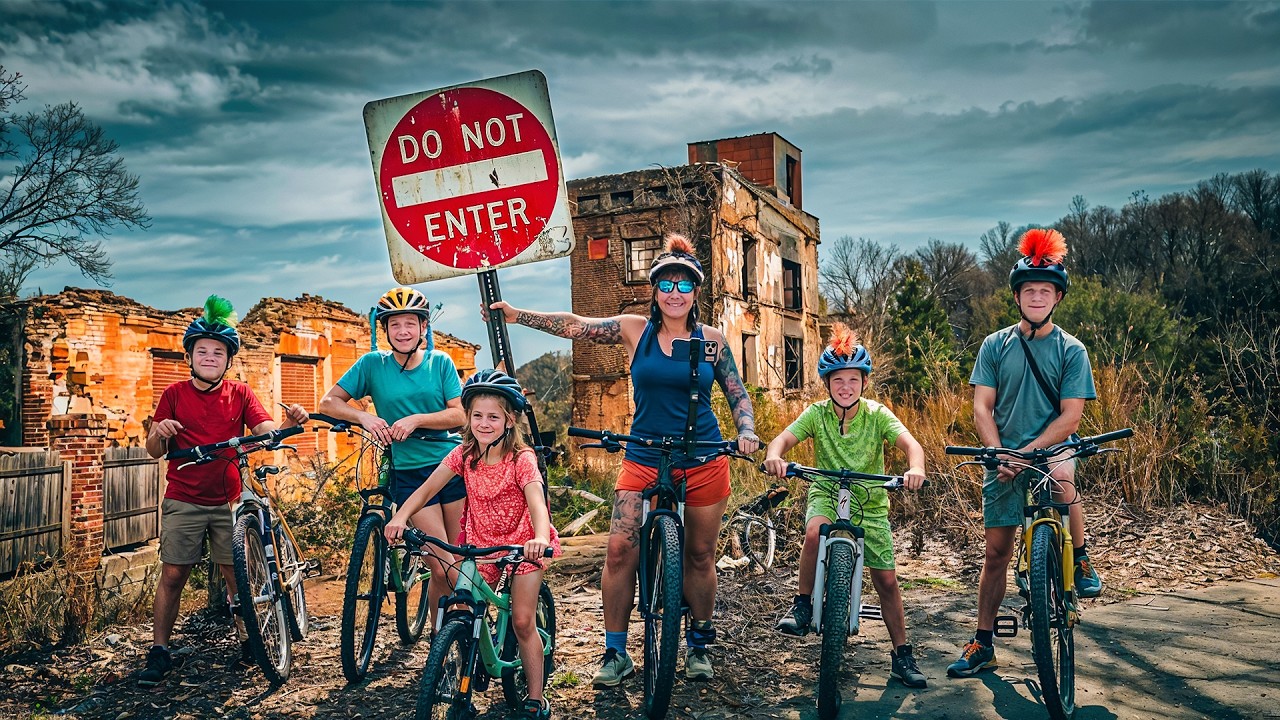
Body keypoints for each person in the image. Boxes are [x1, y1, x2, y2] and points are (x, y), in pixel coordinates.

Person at [484, 232, 760, 685]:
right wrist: (518, 316)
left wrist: (746, 431)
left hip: (704, 456)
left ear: (695, 291)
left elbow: (737, 394)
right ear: (655, 290)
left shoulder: (712, 340)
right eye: (666, 284)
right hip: (645, 455)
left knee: (699, 554)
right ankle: (615, 652)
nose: (674, 293)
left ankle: (698, 645)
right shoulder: (636, 330)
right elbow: (577, 325)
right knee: (618, 551)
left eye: (684, 284)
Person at [947, 227, 1101, 679]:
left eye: (1045, 291)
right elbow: (982, 407)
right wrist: (999, 453)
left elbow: (1071, 416)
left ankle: (1080, 557)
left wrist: (1027, 453)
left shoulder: (1071, 350)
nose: (1037, 296)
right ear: (1017, 297)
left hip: (1050, 449)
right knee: (996, 553)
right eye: (1029, 290)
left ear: (1057, 297)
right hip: (1004, 456)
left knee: (1063, 478)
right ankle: (983, 642)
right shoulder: (995, 346)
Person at [140, 295, 309, 686]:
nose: (210, 357)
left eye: (218, 352)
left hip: (228, 500)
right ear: (189, 357)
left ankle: (250, 641)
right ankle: (160, 651)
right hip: (183, 497)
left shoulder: (240, 394)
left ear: (228, 360)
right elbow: (153, 450)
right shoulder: (174, 395)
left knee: (237, 577)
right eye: (203, 351)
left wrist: (286, 424)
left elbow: (264, 432)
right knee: (173, 574)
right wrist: (160, 432)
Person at [384, 369, 560, 720]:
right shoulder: (464, 455)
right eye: (477, 415)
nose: (484, 423)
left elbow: (537, 502)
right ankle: (458, 680)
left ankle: (535, 699)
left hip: (522, 546)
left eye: (493, 417)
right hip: (479, 546)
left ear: (509, 420)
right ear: (467, 417)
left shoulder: (521, 459)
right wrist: (400, 517)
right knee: (460, 607)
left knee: (522, 620)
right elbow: (427, 489)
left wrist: (540, 537)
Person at [762, 322, 929, 688]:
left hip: (870, 500)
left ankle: (902, 654)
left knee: (886, 580)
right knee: (813, 532)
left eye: (853, 379)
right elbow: (782, 441)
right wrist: (775, 456)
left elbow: (911, 445)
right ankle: (802, 604)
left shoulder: (877, 414)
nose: (845, 386)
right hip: (826, 490)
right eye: (838, 380)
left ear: (864, 382)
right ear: (827, 384)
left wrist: (915, 468)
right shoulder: (816, 414)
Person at [318, 287, 466, 635]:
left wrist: (417, 420)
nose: (402, 331)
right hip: (410, 473)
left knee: (459, 561)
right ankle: (445, 638)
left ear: (423, 327)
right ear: (384, 329)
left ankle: (449, 638)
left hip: (451, 467)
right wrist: (364, 417)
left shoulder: (440, 363)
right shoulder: (373, 365)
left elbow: (460, 415)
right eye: (394, 324)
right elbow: (328, 402)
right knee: (440, 563)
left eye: (409, 323)